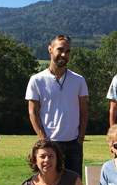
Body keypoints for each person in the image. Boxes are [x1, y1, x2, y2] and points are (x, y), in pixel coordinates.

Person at [26, 35, 89, 177]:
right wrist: (43, 140)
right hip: (50, 142)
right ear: (50, 49)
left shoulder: (78, 80)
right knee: (50, 183)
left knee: (74, 184)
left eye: (67, 51)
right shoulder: (36, 80)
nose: (64, 55)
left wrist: (80, 138)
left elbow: (84, 111)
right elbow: (33, 112)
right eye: (60, 50)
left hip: (74, 144)